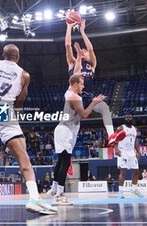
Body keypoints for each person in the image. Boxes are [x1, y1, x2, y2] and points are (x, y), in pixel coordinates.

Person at [0, 44, 57, 214]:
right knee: (22, 156)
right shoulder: (24, 74)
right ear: (18, 57)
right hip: (3, 108)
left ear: (3, 55)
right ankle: (34, 198)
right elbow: (19, 102)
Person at [46, 74, 104, 205]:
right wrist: (94, 102)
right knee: (65, 162)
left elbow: (74, 74)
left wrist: (78, 57)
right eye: (82, 84)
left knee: (61, 161)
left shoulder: (68, 92)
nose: (83, 86)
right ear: (75, 84)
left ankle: (53, 189)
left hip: (65, 130)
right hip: (66, 131)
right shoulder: (74, 97)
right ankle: (59, 194)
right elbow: (84, 114)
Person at [65, 19, 114, 138]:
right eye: (82, 50)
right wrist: (69, 27)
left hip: (88, 97)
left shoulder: (91, 65)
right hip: (74, 98)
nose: (83, 51)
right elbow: (67, 45)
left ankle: (111, 136)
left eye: (85, 51)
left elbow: (91, 49)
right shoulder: (73, 63)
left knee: (105, 107)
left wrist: (82, 31)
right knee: (71, 126)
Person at [116, 114, 144, 199]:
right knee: (123, 172)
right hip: (122, 151)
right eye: (126, 117)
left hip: (131, 152)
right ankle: (120, 192)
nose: (128, 119)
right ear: (124, 119)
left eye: (130, 117)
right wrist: (116, 149)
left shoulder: (134, 129)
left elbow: (135, 141)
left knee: (136, 171)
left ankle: (134, 189)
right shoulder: (121, 128)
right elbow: (114, 138)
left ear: (132, 118)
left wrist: (138, 151)